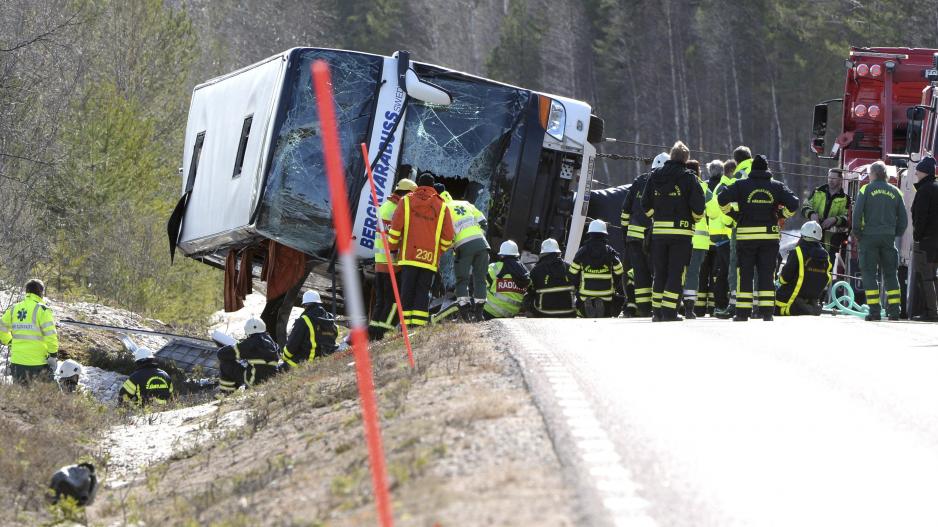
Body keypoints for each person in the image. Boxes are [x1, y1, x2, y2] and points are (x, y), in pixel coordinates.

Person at [717, 154, 799, 321]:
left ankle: (742, 313)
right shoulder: (777, 186)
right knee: (767, 273)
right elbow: (794, 203)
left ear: (752, 169)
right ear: (767, 169)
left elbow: (721, 198)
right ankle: (767, 312)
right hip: (769, 238)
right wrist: (781, 215)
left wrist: (734, 215)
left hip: (746, 237)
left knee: (745, 274)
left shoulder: (741, 185)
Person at [641, 142, 706, 321]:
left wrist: (657, 216)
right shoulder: (689, 178)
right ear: (685, 159)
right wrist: (694, 219)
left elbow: (645, 204)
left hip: (659, 233)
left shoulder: (655, 176)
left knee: (660, 271)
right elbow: (699, 207)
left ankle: (656, 313)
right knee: (675, 272)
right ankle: (669, 312)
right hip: (681, 233)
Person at [387, 171, 455, 328]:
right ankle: (416, 326)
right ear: (432, 187)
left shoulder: (406, 201)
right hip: (429, 259)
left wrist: (392, 249)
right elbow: (448, 236)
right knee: (422, 292)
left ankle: (403, 325)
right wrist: (439, 251)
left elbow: (395, 228)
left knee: (407, 290)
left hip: (408, 256)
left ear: (418, 185)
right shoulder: (442, 206)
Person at [852, 161, 907, 321]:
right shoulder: (896, 192)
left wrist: (859, 234)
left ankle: (875, 311)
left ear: (873, 174)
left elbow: (857, 215)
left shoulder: (866, 189)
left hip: (868, 237)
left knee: (869, 273)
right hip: (888, 238)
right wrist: (894, 233)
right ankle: (895, 311)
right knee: (891, 274)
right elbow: (903, 220)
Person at [621, 152, 667, 317]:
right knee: (658, 271)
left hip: (634, 237)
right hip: (655, 237)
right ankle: (658, 306)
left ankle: (643, 308)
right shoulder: (666, 184)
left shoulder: (639, 181)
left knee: (639, 273)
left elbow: (625, 210)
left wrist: (625, 234)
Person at [369, 177, 416, 339]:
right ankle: (384, 332)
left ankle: (373, 333)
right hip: (392, 263)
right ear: (406, 194)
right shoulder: (397, 210)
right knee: (394, 302)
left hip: (379, 262)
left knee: (381, 302)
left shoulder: (385, 207)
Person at [441, 189, 490, 322]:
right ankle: (479, 314)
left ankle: (465, 313)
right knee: (480, 278)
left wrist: (451, 245)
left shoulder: (443, 209)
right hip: (482, 244)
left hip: (463, 246)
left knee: (462, 280)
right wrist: (476, 235)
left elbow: (446, 234)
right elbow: (484, 223)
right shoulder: (466, 204)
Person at [0, 279, 58, 383]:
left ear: (26, 292)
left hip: (17, 363)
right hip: (37, 364)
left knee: (20, 397)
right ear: (41, 293)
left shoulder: (14, 308)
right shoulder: (42, 310)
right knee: (37, 398)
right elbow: (50, 336)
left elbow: (1, 327)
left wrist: (9, 341)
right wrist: (53, 355)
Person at [570, 219, 626, 317]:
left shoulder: (582, 251)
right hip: (606, 293)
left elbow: (572, 272)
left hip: (585, 293)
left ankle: (585, 311)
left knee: (580, 303)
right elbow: (620, 270)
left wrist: (578, 287)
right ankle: (604, 313)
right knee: (611, 305)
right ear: (604, 234)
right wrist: (614, 285)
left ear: (590, 233)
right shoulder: (609, 251)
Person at [775, 221, 831, 316]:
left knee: (770, 305)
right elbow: (827, 278)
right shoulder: (826, 255)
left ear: (802, 235)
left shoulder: (797, 251)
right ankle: (808, 307)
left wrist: (777, 282)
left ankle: (800, 308)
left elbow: (784, 278)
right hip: (812, 298)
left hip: (789, 300)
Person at [217, 318, 280, 397]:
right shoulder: (272, 343)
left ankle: (226, 394)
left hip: (254, 382)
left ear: (248, 330)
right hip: (272, 380)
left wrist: (237, 345)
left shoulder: (250, 343)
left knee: (225, 364)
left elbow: (221, 354)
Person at [682, 160, 713, 318]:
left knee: (678, 271)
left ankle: (674, 303)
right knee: (693, 273)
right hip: (700, 240)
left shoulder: (680, 184)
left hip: (681, 235)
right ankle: (689, 307)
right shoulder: (704, 187)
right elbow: (714, 212)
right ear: (698, 171)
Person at [801, 169, 851, 265]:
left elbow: (847, 218)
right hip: (811, 237)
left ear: (841, 180)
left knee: (827, 267)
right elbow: (804, 207)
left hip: (832, 241)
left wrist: (835, 220)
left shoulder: (846, 199)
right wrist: (812, 214)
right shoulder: (817, 192)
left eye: (833, 178)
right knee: (807, 264)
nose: (830, 180)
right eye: (829, 177)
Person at [910, 156, 938, 321]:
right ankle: (934, 310)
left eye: (918, 170)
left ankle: (931, 312)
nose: (916, 174)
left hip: (926, 241)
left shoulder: (924, 190)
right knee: (934, 276)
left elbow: (920, 217)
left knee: (925, 277)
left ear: (924, 172)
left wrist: (917, 237)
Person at [282, 290, 338, 368]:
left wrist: (284, 358)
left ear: (306, 305)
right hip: (327, 359)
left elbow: (292, 345)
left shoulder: (304, 320)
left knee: (278, 370)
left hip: (306, 362)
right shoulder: (331, 319)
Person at [707, 160, 734, 315]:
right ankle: (723, 304)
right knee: (727, 271)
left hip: (719, 234)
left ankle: (720, 305)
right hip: (724, 232)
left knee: (723, 271)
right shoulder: (724, 187)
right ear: (730, 172)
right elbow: (725, 212)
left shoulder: (719, 187)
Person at [525, 238, 576, 317]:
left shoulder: (536, 270)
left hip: (543, 312)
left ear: (542, 254)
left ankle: (532, 317)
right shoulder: (568, 267)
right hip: (568, 312)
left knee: (527, 297)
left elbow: (530, 289)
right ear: (558, 253)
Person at [482, 240, 530, 319]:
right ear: (517, 255)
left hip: (491, 310)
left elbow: (481, 281)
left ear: (501, 255)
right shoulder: (524, 271)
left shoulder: (495, 267)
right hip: (511, 313)